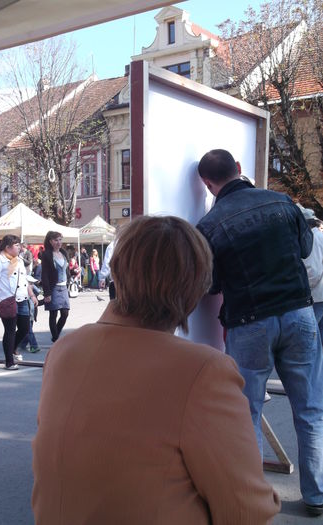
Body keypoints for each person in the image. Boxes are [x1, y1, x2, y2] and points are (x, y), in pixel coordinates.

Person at [32, 215, 280, 524]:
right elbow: (246, 510)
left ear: (118, 271)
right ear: (195, 284)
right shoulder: (204, 370)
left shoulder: (64, 350)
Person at [196, 149, 323, 516]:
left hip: (249, 323)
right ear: (239, 169)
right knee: (310, 408)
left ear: (208, 184)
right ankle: (315, 496)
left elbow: (213, 284)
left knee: (247, 411)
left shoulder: (209, 225)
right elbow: (303, 248)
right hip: (299, 313)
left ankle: (257, 500)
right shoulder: (282, 202)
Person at [0, 235, 38, 370]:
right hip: (6, 299)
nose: (19, 248)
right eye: (16, 245)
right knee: (10, 330)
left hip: (22, 298)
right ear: (8, 247)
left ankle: (13, 348)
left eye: (19, 245)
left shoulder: (19, 261)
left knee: (25, 328)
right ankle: (9, 361)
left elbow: (24, 279)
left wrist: (32, 295)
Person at [298, 205, 323, 344]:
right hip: (320, 294)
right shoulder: (320, 236)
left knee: (310, 339)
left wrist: (303, 290)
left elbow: (313, 271)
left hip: (315, 296)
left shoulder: (311, 238)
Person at [41, 231, 70, 343]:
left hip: (64, 287)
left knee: (65, 313)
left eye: (60, 240)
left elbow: (66, 269)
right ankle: (56, 339)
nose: (59, 242)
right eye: (56, 240)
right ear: (50, 241)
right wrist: (47, 293)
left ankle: (55, 335)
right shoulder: (47, 255)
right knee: (53, 313)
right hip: (53, 287)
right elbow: (45, 275)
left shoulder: (64, 252)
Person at [17, 275, 41, 354]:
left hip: (30, 313)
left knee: (27, 330)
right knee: (27, 330)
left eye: (32, 283)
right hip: (28, 313)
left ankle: (28, 344)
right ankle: (28, 345)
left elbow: (39, 292)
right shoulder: (24, 292)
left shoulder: (29, 290)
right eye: (30, 283)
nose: (32, 285)